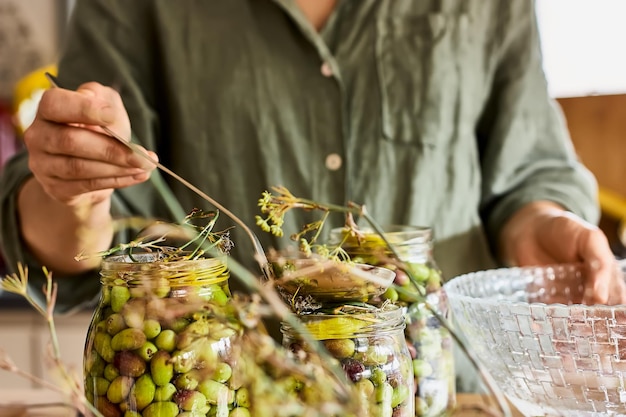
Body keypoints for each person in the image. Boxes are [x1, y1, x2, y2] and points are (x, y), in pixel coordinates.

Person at [1, 0, 625, 390]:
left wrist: (542, 223)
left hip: (444, 395)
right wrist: (76, 196)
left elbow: (528, 174)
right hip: (224, 389)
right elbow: (86, 243)